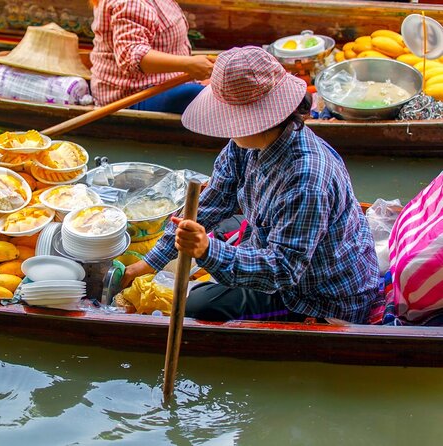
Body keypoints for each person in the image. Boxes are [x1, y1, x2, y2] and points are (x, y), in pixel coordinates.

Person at [121, 46, 382, 324]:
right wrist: (148, 263)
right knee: (220, 226)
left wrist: (206, 251)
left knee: (198, 305)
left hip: (315, 296)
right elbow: (212, 202)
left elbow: (282, 270)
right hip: (280, 253)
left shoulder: (306, 179)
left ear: (258, 119)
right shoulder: (244, 145)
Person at [89, 0, 214, 113]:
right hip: (132, 96)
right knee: (203, 97)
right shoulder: (131, 2)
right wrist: (189, 65)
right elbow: (132, 56)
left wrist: (199, 73)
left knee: (221, 89)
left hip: (167, 84)